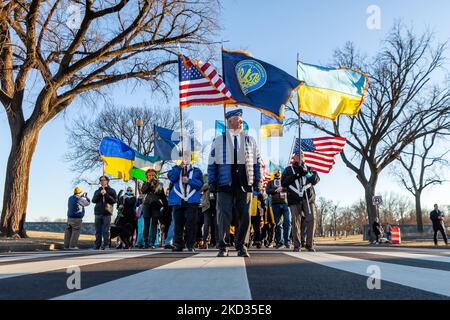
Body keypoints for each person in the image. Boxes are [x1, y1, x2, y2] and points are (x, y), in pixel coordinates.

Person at [208, 108, 261, 258]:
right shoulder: (218, 140)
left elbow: (257, 162)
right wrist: (212, 181)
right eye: (238, 121)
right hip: (225, 183)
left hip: (245, 183)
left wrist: (258, 180)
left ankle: (241, 246)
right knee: (223, 216)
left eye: (242, 121)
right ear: (229, 122)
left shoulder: (250, 140)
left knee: (245, 217)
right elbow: (212, 163)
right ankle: (223, 246)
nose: (241, 123)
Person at [281, 153, 320, 252]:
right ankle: (297, 245)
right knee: (295, 221)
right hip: (294, 198)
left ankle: (309, 244)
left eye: (302, 155)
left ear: (304, 157)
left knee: (312, 218)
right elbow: (284, 182)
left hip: (308, 198)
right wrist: (296, 174)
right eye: (297, 155)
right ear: (294, 157)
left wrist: (306, 173)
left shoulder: (309, 168)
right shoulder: (288, 170)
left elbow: (315, 180)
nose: (300, 156)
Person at [168, 154, 204, 252]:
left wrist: (189, 181)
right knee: (178, 223)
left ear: (190, 159)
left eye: (187, 157)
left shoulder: (197, 171)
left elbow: (200, 184)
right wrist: (179, 167)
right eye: (182, 157)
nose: (184, 159)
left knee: (191, 223)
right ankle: (178, 244)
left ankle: (190, 244)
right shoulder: (175, 169)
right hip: (178, 200)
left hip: (191, 200)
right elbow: (172, 178)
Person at [141, 169, 167, 249]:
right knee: (146, 224)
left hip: (156, 206)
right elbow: (143, 191)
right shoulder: (145, 183)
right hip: (147, 205)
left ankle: (152, 242)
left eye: (153, 175)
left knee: (154, 225)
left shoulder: (160, 185)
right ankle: (145, 242)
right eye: (149, 175)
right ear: (147, 176)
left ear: (155, 176)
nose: (151, 176)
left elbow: (163, 196)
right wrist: (148, 182)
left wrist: (166, 206)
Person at [266, 168, 291, 249]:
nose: (278, 172)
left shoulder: (284, 181)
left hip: (286, 204)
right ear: (274, 173)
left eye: (279, 171)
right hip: (275, 204)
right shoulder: (270, 182)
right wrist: (276, 190)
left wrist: (282, 188)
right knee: (278, 224)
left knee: (287, 221)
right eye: (276, 171)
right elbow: (268, 191)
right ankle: (279, 242)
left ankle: (287, 241)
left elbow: (289, 189)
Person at [92, 176, 117, 250]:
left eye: (104, 180)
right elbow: (93, 200)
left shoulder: (112, 190)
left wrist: (106, 194)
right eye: (101, 180)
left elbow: (114, 201)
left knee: (106, 231)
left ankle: (106, 245)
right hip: (98, 213)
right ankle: (97, 245)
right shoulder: (97, 191)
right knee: (97, 231)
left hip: (107, 212)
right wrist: (100, 194)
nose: (102, 181)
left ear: (107, 181)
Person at [201, 182, 219, 249]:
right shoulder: (206, 178)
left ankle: (218, 242)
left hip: (217, 205)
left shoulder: (219, 179)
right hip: (207, 206)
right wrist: (210, 183)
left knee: (217, 224)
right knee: (206, 225)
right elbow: (201, 188)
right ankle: (204, 243)